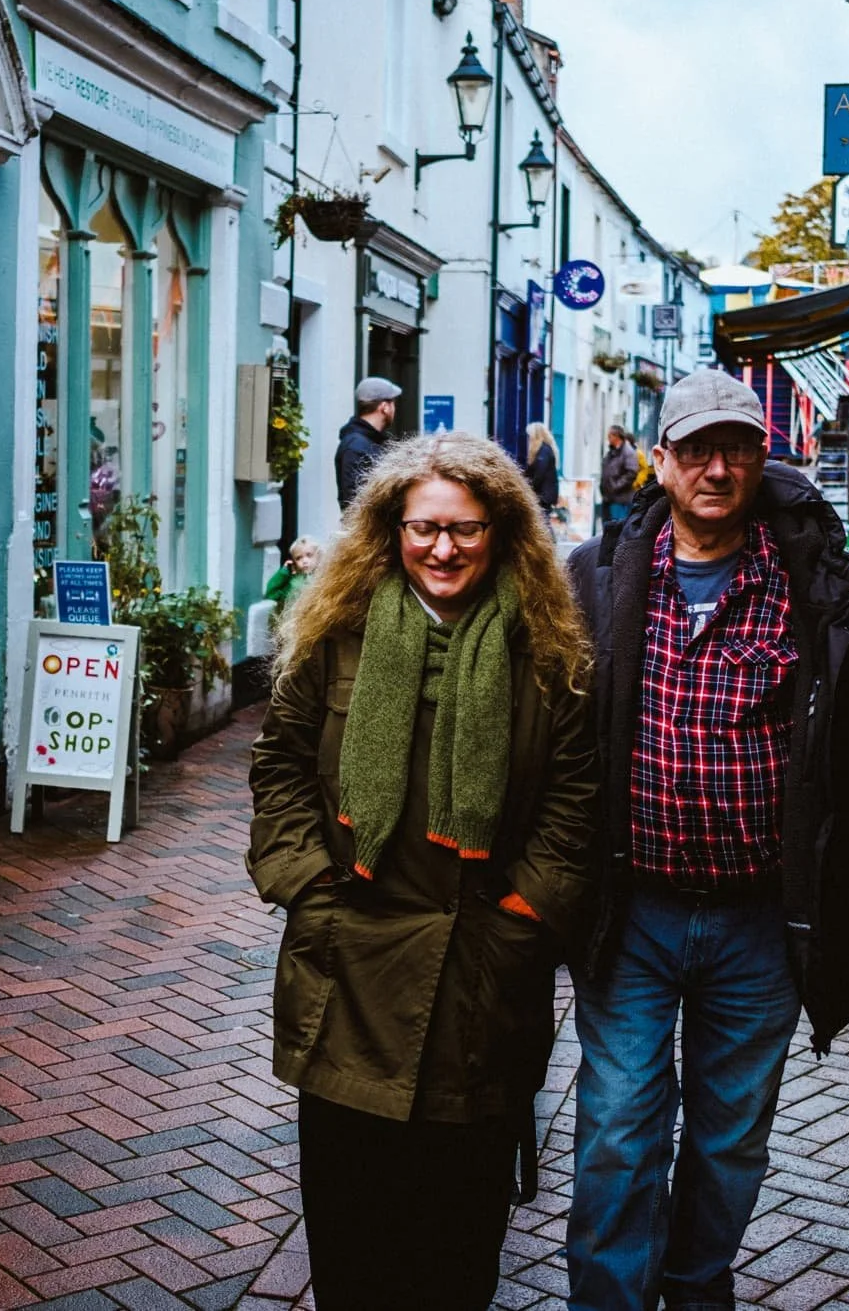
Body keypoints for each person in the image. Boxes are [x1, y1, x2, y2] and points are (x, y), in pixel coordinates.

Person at [563, 369, 849, 1311]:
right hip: (632, 913)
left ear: (762, 456)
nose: (715, 467)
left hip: (764, 923)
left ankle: (695, 1296)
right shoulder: (595, 581)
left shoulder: (830, 593)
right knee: (616, 1129)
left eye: (733, 446)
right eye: (694, 449)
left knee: (729, 1139)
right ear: (661, 461)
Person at [248, 431, 600, 1311]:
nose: (443, 549)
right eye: (424, 528)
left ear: (504, 533)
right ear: (390, 530)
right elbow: (280, 765)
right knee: (353, 1231)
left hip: (480, 974)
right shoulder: (338, 633)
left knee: (456, 1241)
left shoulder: (546, 653)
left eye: (467, 530)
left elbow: (574, 798)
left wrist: (525, 914)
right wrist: (308, 885)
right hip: (347, 965)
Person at [335, 376, 401, 510]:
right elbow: (354, 502)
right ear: (384, 407)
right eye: (393, 403)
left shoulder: (372, 441)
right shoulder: (355, 446)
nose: (394, 409)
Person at [264, 535, 323, 616]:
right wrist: (283, 573)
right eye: (299, 558)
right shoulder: (293, 582)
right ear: (294, 562)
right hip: (291, 622)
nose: (304, 561)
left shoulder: (323, 579)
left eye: (309, 555)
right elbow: (271, 594)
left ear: (318, 556)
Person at [600, 426, 639, 528]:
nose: (608, 438)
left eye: (610, 436)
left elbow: (632, 472)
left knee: (618, 528)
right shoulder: (612, 451)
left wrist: (615, 486)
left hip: (620, 499)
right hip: (609, 498)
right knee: (609, 528)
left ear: (617, 436)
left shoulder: (628, 452)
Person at [524, 420, 562, 528]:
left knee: (543, 522)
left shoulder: (543, 451)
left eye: (530, 435)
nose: (528, 438)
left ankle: (550, 543)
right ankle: (549, 542)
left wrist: (529, 488)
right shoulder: (544, 450)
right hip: (545, 494)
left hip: (543, 495)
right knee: (542, 521)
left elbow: (539, 474)